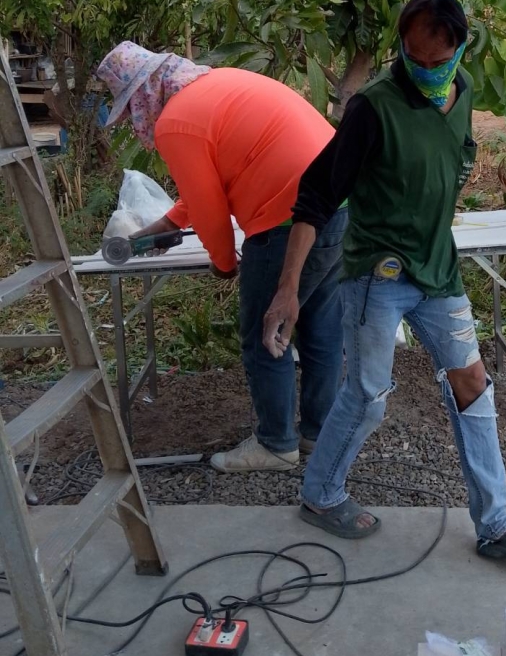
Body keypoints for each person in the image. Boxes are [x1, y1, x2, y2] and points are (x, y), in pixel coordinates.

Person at [263, 0, 506, 564]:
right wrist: (288, 288)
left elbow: (455, 154)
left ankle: (496, 524)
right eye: (414, 59)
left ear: (460, 49)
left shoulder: (463, 90)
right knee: (369, 395)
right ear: (401, 47)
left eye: (437, 61)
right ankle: (321, 494)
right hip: (378, 275)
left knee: (472, 383)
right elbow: (316, 197)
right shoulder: (373, 108)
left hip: (438, 270)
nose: (425, 71)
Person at [96, 42, 347, 471]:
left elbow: (210, 211)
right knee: (320, 327)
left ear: (142, 96)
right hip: (339, 206)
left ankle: (275, 445)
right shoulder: (216, 86)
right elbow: (207, 186)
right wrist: (166, 225)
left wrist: (225, 263)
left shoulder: (175, 122)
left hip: (285, 218)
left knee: (265, 328)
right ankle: (318, 436)